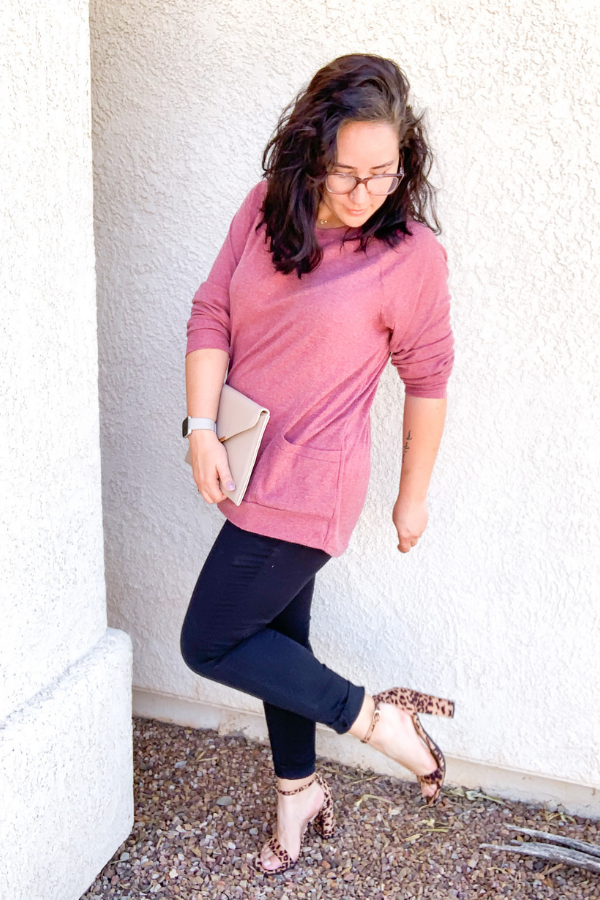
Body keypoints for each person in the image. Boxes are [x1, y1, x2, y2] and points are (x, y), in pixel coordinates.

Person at [180, 53, 456, 875]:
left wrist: (413, 498)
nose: (367, 192)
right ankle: (298, 791)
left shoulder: (410, 258)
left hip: (311, 485)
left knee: (211, 639)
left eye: (385, 171)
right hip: (245, 459)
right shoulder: (265, 212)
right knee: (276, 642)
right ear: (310, 152)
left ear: (406, 158)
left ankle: (378, 722)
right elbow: (211, 311)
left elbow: (428, 382)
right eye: (346, 172)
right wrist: (199, 425)